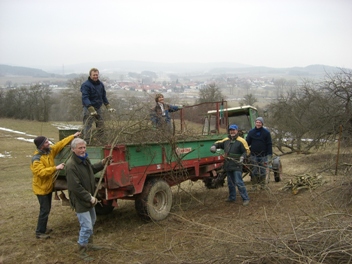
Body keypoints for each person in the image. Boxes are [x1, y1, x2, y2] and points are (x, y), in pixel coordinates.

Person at [65, 138, 112, 260]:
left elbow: (91, 170)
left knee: (92, 220)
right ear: (73, 149)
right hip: (81, 200)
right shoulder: (71, 166)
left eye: (84, 147)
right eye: (80, 148)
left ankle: (90, 244)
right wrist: (89, 198)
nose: (83, 150)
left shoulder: (84, 159)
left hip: (88, 198)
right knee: (86, 226)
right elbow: (75, 187)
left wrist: (102, 163)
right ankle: (82, 250)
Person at [30, 131, 81, 239]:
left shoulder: (49, 152)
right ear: (41, 146)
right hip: (41, 189)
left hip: (47, 187)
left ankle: (43, 228)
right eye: (46, 142)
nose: (48, 143)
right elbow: (41, 173)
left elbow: (60, 144)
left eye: (47, 141)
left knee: (46, 209)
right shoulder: (37, 159)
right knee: (44, 210)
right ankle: (39, 232)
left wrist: (73, 136)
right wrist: (55, 168)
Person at [210, 124, 250, 206]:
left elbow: (247, 151)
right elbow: (218, 143)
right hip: (228, 164)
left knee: (239, 182)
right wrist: (214, 146)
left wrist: (242, 157)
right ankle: (232, 197)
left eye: (234, 130)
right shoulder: (226, 140)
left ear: (237, 131)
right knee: (230, 182)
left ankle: (246, 198)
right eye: (231, 130)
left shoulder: (241, 141)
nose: (232, 131)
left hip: (237, 164)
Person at [81, 68, 115, 143]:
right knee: (88, 125)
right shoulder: (86, 85)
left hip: (98, 108)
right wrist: (90, 107)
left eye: (96, 75)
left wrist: (108, 106)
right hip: (88, 108)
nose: (95, 76)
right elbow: (85, 97)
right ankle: (87, 141)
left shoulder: (100, 84)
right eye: (94, 75)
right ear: (90, 75)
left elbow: (103, 96)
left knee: (100, 124)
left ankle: (100, 140)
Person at [246, 117, 273, 189]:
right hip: (254, 155)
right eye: (257, 122)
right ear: (255, 123)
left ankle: (263, 185)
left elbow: (269, 144)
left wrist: (270, 154)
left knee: (263, 170)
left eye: (259, 122)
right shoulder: (251, 132)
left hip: (263, 155)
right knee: (254, 170)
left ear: (262, 124)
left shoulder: (266, 133)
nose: (258, 124)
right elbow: (247, 142)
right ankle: (254, 185)